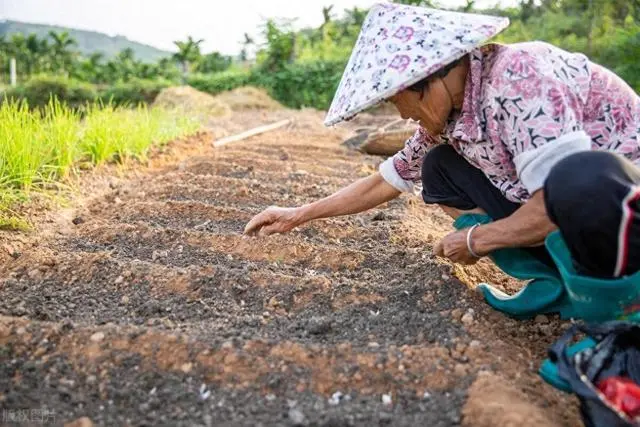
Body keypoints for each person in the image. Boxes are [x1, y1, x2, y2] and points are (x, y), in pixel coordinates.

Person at [244, 3, 640, 280]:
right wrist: (298, 214)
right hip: (563, 213)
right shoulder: (448, 117)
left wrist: (476, 239)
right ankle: (555, 274)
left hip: (620, 215)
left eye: (401, 101)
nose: (402, 115)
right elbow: (386, 180)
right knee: (439, 168)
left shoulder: (519, 77)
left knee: (576, 178)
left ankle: (608, 293)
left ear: (431, 79)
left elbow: (563, 195)